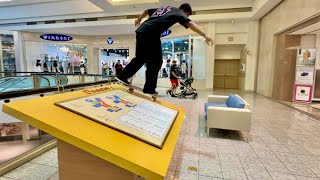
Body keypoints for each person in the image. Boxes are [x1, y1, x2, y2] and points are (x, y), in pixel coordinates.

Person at [116, 3, 214, 95]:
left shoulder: (166, 8)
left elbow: (146, 11)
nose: (187, 17)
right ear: (184, 10)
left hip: (141, 30)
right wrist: (205, 35)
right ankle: (149, 89)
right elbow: (190, 23)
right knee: (156, 61)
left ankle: (122, 76)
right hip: (151, 33)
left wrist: (139, 19)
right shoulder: (178, 12)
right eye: (187, 15)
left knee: (141, 58)